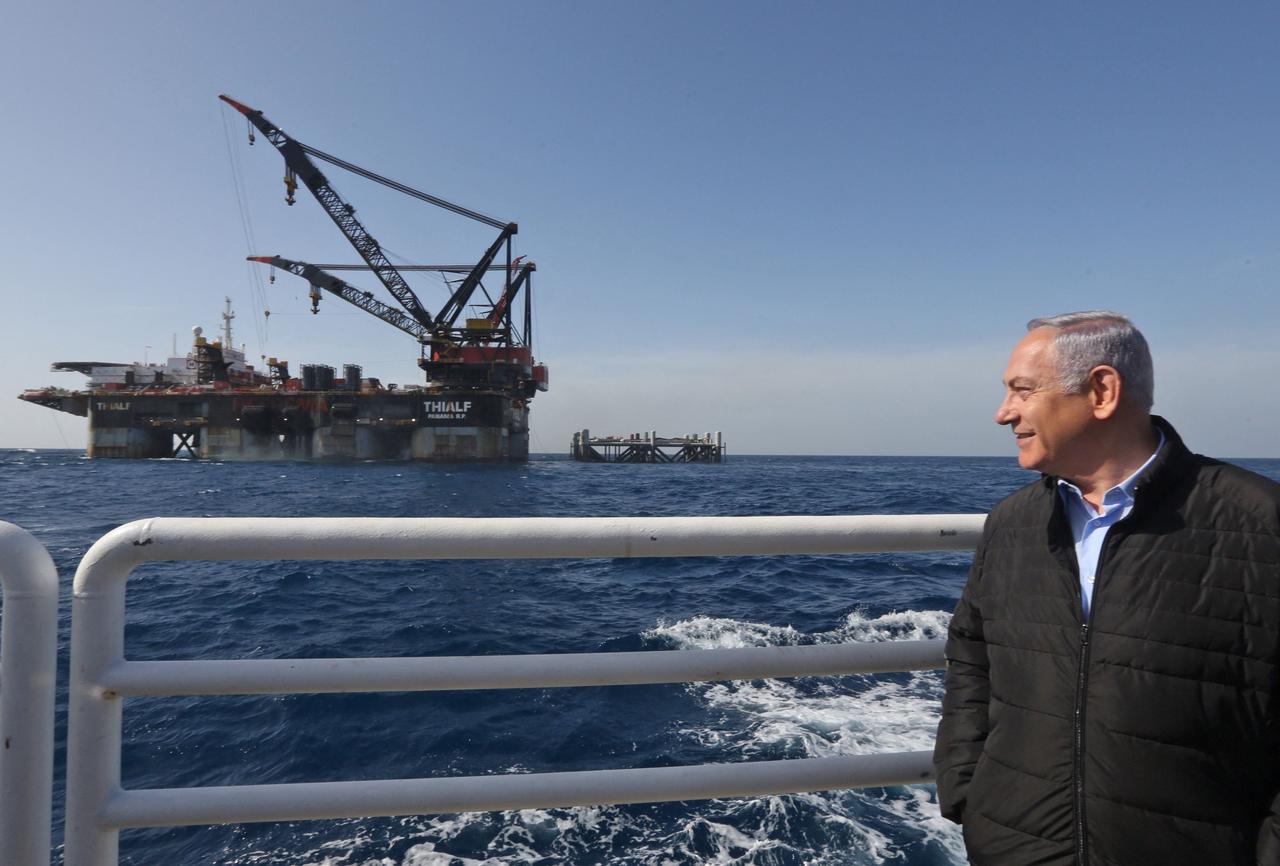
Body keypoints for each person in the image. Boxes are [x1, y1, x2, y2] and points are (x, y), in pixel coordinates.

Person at [933, 311, 1280, 865]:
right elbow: (971, 657)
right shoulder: (1012, 523)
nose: (1004, 413)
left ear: (1101, 390)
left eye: (1022, 391)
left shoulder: (1259, 523)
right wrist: (969, 791)